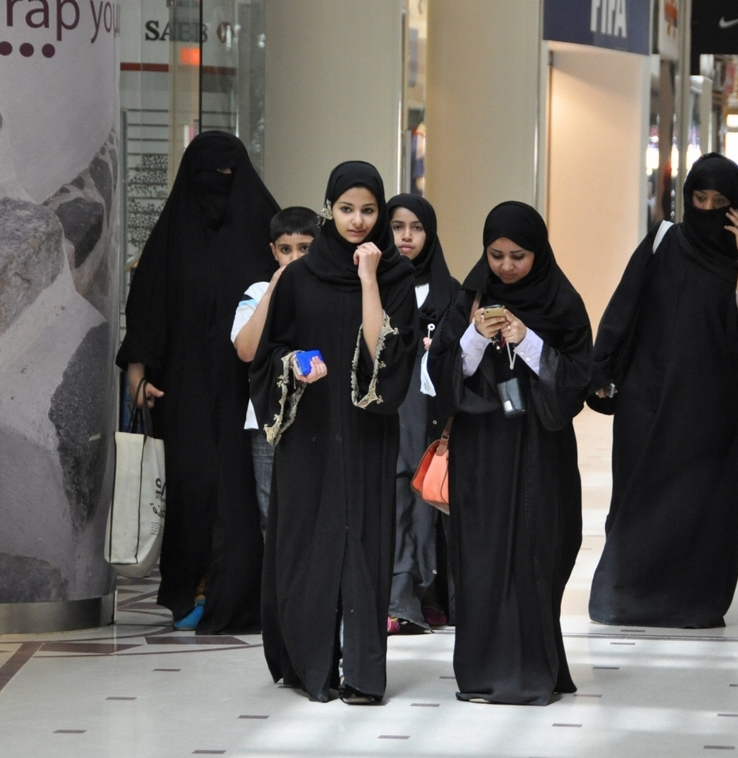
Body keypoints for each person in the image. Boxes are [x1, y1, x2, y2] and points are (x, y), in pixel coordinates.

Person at [587, 153, 738, 629]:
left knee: (702, 505)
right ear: (686, 197)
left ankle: (691, 599)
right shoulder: (664, 242)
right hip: (647, 399)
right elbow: (624, 306)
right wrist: (599, 371)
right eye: (700, 198)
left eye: (721, 202)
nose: (709, 208)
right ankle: (624, 593)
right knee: (639, 497)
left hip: (713, 407)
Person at [252, 161, 419, 704]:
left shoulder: (393, 277)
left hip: (368, 433)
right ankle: (310, 663)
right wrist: (294, 362)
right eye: (346, 209)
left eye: (369, 211)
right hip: (313, 430)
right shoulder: (300, 277)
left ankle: (364, 674)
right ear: (329, 208)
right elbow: (267, 354)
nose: (357, 220)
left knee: (365, 542)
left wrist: (370, 278)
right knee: (310, 542)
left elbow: (385, 353)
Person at [426, 201, 592, 705]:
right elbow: (441, 372)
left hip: (542, 453)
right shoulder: (468, 299)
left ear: (538, 252)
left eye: (518, 255)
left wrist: (530, 341)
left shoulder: (562, 302)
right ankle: (481, 673)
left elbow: (579, 380)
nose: (506, 266)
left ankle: (534, 671)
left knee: (538, 551)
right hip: (482, 452)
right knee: (480, 556)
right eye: (496, 255)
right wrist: (476, 336)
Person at [117, 131, 280, 633]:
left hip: (245, 391)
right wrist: (138, 369)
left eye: (226, 178)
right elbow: (148, 303)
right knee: (192, 488)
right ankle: (189, 588)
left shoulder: (263, 231)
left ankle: (239, 592)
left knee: (238, 490)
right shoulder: (172, 236)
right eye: (206, 178)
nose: (216, 188)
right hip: (182, 390)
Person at [384, 193, 459, 634]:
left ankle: (425, 593)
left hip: (431, 417)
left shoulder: (450, 291)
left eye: (416, 227)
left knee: (427, 505)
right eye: (397, 227)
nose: (407, 236)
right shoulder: (373, 284)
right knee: (394, 503)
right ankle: (398, 597)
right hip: (388, 416)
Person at [231, 207, 318, 536]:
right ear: (273, 251)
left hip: (318, 417)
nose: (295, 258)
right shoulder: (256, 293)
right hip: (268, 420)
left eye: (305, 248)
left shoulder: (331, 292)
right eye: (286, 250)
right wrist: (273, 290)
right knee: (273, 513)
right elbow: (246, 350)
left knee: (317, 510)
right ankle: (280, 589)